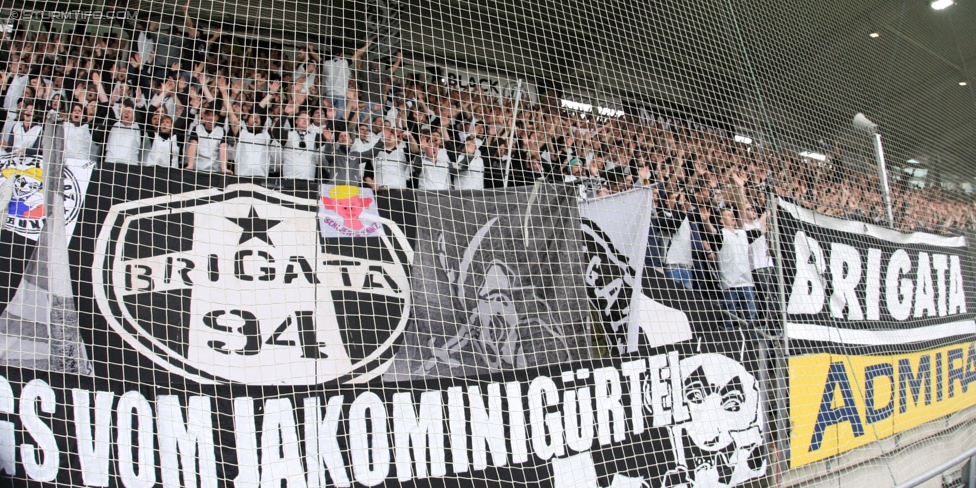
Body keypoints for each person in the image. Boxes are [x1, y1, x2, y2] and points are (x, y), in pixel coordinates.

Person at [185, 101, 230, 173]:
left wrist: (224, 168)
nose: (210, 118)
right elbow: (192, 146)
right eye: (208, 115)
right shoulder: (197, 128)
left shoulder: (221, 131)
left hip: (215, 170)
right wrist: (190, 165)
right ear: (204, 116)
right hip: (198, 169)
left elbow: (223, 148)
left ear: (217, 118)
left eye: (213, 115)